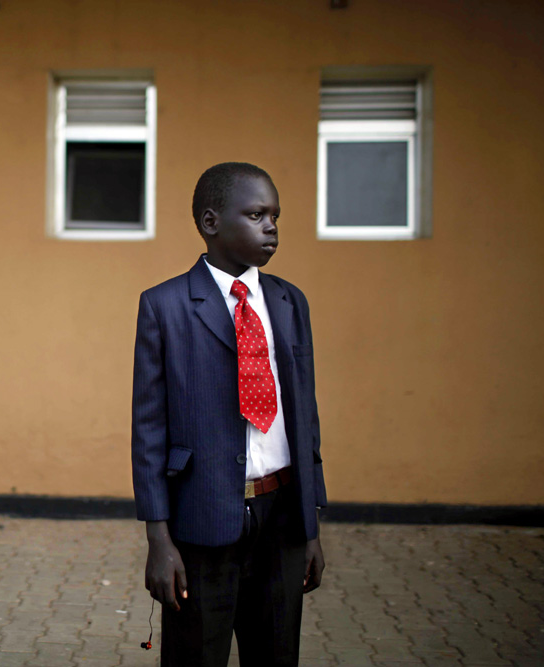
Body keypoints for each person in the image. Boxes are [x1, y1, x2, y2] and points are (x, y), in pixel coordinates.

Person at [131, 162, 326, 666]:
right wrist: (158, 539)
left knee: (277, 654)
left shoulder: (288, 301)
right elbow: (148, 430)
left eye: (276, 216)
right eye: (257, 214)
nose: (272, 227)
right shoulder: (165, 305)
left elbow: (305, 414)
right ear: (211, 222)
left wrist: (311, 525)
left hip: (282, 513)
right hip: (203, 520)